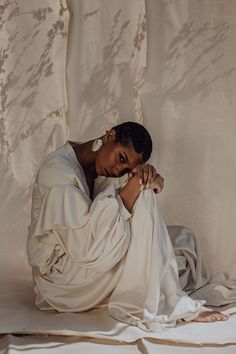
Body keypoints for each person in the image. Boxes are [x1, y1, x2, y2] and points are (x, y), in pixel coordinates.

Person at [27, 121, 229, 332]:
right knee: (144, 198)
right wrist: (140, 183)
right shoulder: (58, 174)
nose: (117, 170)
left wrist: (147, 177)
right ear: (109, 136)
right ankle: (177, 304)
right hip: (63, 279)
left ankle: (157, 286)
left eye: (127, 169)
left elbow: (116, 208)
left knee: (182, 241)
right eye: (121, 158)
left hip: (92, 254)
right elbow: (89, 251)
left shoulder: (97, 165)